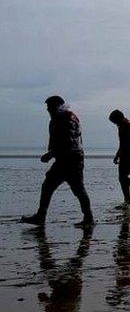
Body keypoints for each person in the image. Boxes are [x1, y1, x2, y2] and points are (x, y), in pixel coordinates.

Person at [21, 96, 94, 227]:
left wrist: (50, 154)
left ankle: (88, 218)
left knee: (74, 188)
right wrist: (53, 153)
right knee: (62, 187)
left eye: (50, 107)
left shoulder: (67, 119)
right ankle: (41, 216)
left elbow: (68, 140)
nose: (48, 110)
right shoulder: (61, 118)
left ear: (57, 106)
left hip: (70, 160)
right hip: (67, 159)